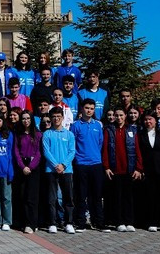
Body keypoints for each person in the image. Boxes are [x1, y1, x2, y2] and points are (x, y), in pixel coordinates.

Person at [102, 106, 143, 232]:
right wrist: (106, 167)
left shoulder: (132, 130)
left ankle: (129, 221)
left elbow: (137, 150)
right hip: (115, 169)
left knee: (128, 197)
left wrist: (138, 168)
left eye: (121, 115)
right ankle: (118, 222)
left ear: (125, 116)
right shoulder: (109, 130)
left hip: (129, 169)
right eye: (117, 115)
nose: (119, 118)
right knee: (117, 197)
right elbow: (105, 150)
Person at [70, 98, 105, 232]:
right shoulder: (75, 125)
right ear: (82, 109)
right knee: (81, 195)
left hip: (96, 164)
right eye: (87, 108)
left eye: (91, 108)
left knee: (96, 195)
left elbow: (100, 143)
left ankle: (98, 222)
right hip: (81, 164)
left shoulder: (98, 125)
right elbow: (72, 144)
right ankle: (80, 222)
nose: (89, 110)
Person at [42, 107, 76, 234]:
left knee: (68, 197)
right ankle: (52, 222)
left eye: (58, 116)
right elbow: (46, 151)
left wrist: (63, 165)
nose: (56, 119)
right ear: (50, 118)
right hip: (51, 170)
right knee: (52, 197)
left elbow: (72, 151)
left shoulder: (69, 134)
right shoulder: (47, 134)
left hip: (66, 170)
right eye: (54, 117)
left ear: (62, 118)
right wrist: (56, 165)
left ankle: (68, 222)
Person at [13, 110, 42, 234]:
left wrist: (31, 166)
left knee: (32, 197)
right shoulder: (18, 134)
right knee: (22, 195)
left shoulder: (38, 134)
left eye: (28, 118)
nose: (26, 121)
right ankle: (24, 222)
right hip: (22, 168)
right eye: (23, 118)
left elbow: (39, 153)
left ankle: (32, 223)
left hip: (33, 168)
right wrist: (23, 167)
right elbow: (16, 151)